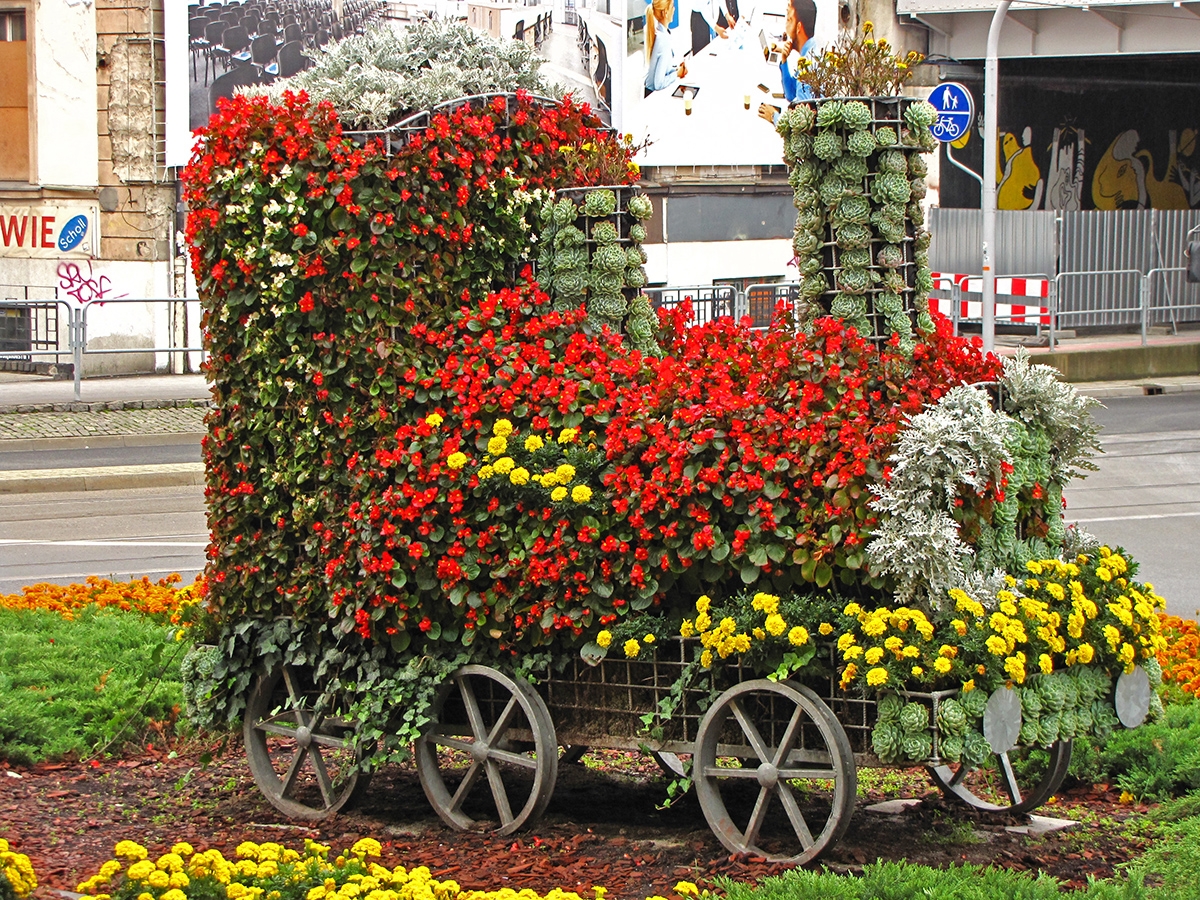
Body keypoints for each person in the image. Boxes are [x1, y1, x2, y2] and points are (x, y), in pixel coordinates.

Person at [757, 0, 818, 123]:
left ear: (799, 27)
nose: (785, 27)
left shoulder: (808, 68)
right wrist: (784, 60)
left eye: (789, 20)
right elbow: (791, 94)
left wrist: (773, 116)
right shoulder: (809, 52)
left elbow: (801, 125)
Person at [645, 0, 688, 95]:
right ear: (665, 13)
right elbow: (658, 84)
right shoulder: (663, 40)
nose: (674, 9)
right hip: (652, 97)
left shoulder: (662, 33)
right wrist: (677, 74)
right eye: (672, 6)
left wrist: (677, 70)